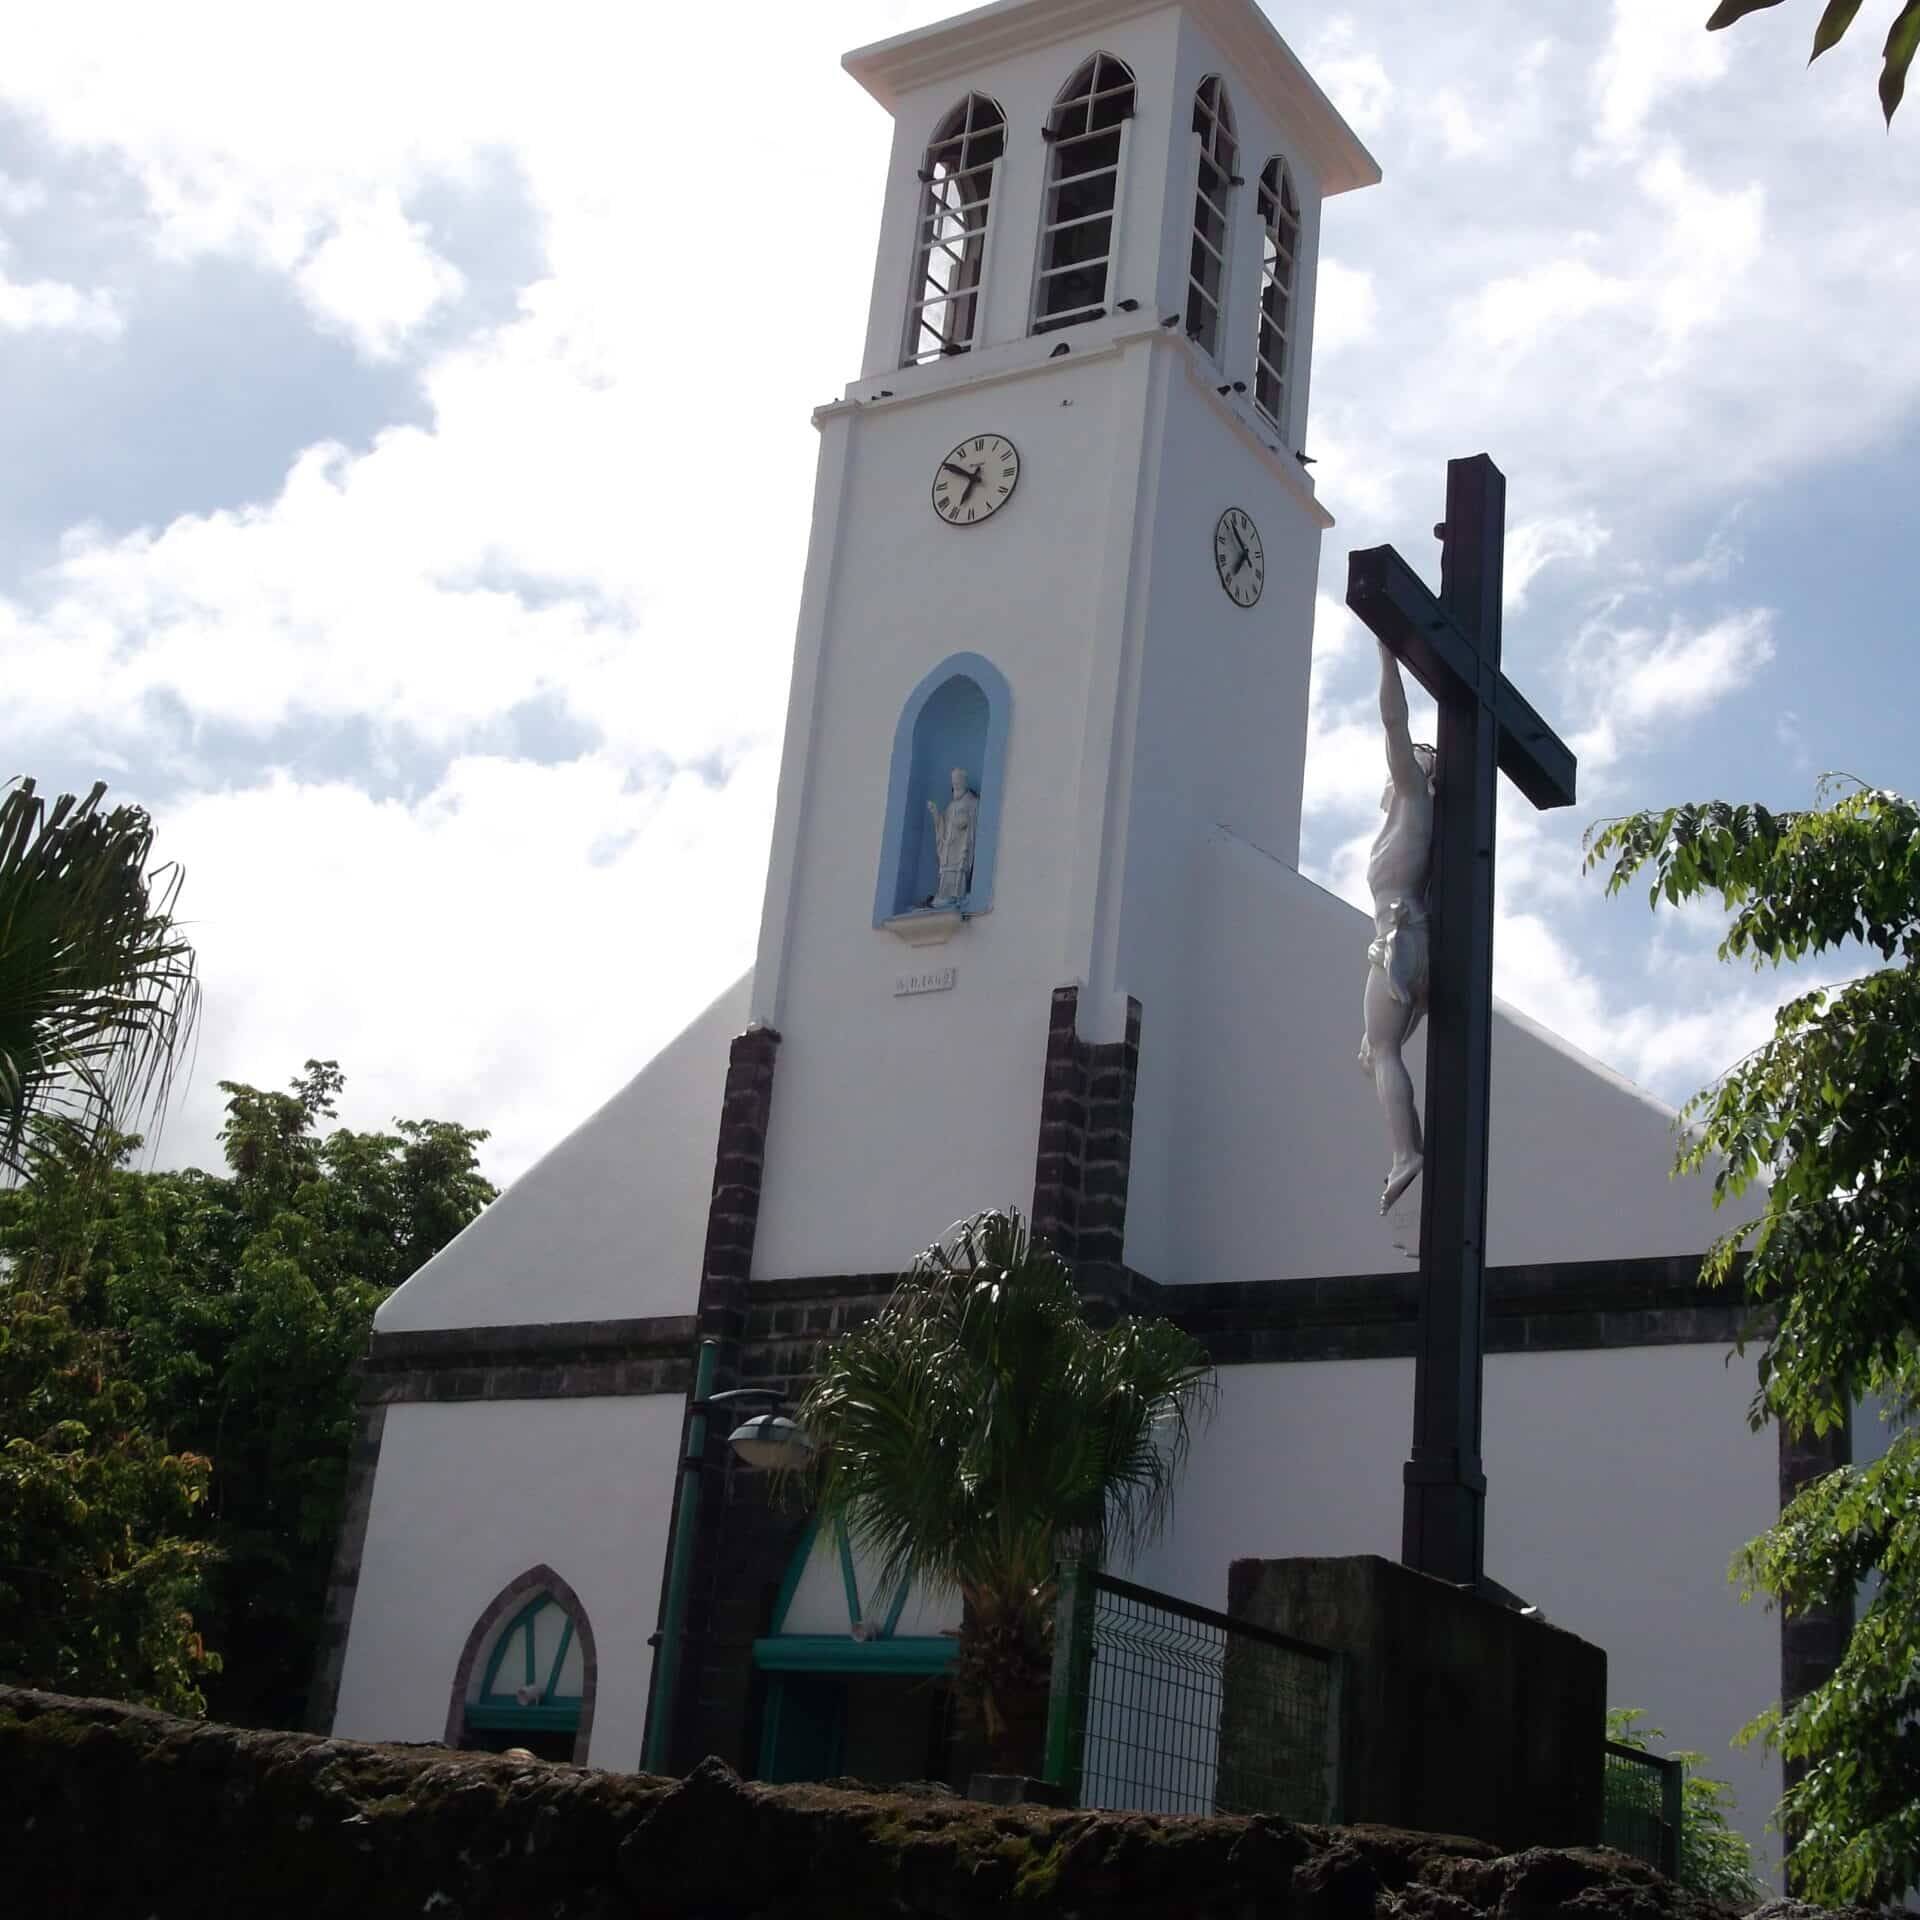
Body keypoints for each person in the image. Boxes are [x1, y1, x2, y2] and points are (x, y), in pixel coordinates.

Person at [1359, 641, 1436, 1213]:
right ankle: (1406, 1148)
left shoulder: (1413, 796)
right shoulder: (1402, 820)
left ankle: (1406, 1154)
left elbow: (1394, 722)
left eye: (1414, 758)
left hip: (1399, 935)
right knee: (1372, 1052)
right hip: (1407, 935)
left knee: (1383, 1048)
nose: (1396, 768)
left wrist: (1388, 658)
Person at [927, 767, 978, 906]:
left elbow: (972, 822)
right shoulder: (951, 806)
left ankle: (957, 895)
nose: (955, 784)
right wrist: (936, 813)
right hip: (950, 846)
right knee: (947, 870)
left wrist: (964, 821)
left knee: (958, 871)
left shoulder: (971, 802)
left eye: (958, 781)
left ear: (963, 782)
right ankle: (944, 895)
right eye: (953, 781)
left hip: (961, 846)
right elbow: (943, 825)